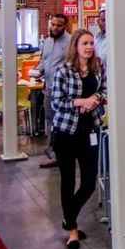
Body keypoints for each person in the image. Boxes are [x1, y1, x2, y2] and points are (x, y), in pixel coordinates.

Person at [50, 29, 106, 249]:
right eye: (85, 43)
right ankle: (72, 230)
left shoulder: (98, 66)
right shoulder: (63, 71)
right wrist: (81, 102)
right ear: (76, 46)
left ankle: (68, 217)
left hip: (90, 131)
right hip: (65, 132)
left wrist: (97, 99)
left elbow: (105, 90)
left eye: (91, 43)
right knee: (68, 181)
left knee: (90, 181)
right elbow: (56, 102)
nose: (89, 47)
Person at [33, 14, 71, 168]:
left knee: (60, 122)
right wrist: (38, 71)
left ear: (65, 26)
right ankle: (53, 150)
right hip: (48, 88)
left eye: (59, 25)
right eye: (53, 24)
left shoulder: (70, 42)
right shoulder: (47, 42)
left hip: (63, 91)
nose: (55, 28)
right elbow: (44, 61)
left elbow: (72, 65)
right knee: (49, 119)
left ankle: (60, 155)